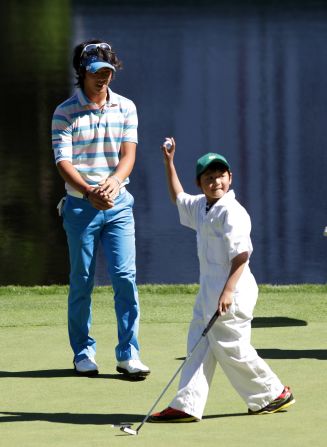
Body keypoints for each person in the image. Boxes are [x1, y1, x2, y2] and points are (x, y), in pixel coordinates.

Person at [149, 138, 295, 421]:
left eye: (220, 176)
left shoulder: (232, 211)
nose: (215, 181)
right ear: (200, 183)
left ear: (230, 178)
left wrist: (227, 292)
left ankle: (273, 394)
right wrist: (169, 163)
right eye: (209, 177)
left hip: (234, 292)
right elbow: (178, 197)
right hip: (209, 292)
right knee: (198, 345)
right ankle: (186, 404)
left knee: (232, 348)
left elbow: (242, 255)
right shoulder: (202, 207)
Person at [51, 39, 150, 378]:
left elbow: (128, 156)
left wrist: (114, 183)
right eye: (96, 72)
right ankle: (83, 352)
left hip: (118, 204)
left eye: (107, 72)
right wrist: (90, 190)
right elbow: (63, 163)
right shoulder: (64, 112)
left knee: (125, 277)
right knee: (82, 280)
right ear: (82, 72)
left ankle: (129, 354)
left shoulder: (126, 107)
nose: (103, 78)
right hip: (81, 208)